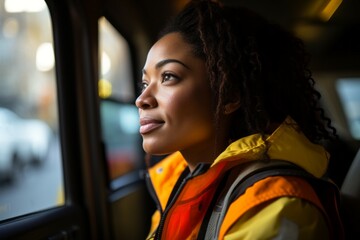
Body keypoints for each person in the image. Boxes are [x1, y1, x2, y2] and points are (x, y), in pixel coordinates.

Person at [135, 0, 343, 239]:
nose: (142, 99)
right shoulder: (175, 183)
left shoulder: (274, 204)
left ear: (229, 95)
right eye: (144, 83)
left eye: (168, 77)